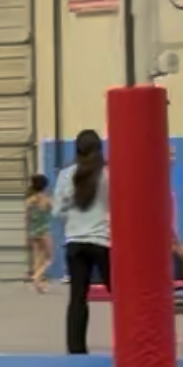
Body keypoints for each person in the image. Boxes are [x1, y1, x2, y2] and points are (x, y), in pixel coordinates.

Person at [54, 129, 109, 354]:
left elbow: (58, 212)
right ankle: (130, 342)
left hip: (75, 242)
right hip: (103, 242)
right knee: (120, 295)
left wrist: (73, 212)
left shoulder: (66, 175)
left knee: (78, 298)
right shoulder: (108, 175)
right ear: (99, 149)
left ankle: (75, 351)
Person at [25, 174, 54, 293]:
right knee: (50, 258)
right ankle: (37, 276)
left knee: (38, 258)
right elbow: (54, 211)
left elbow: (26, 218)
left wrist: (27, 234)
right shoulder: (46, 199)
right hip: (44, 232)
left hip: (33, 231)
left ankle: (38, 285)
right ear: (45, 186)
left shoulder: (29, 200)